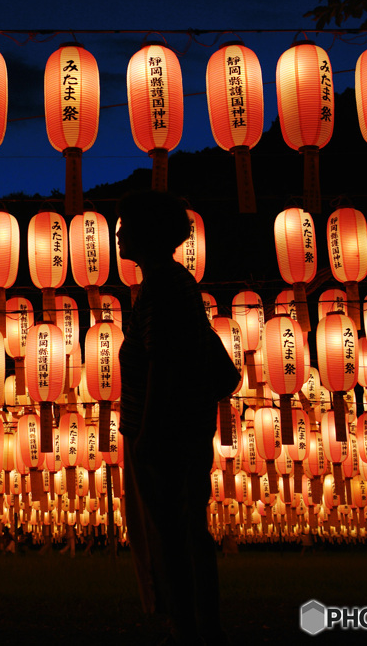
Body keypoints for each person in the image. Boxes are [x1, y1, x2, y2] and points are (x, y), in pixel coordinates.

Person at [117, 191, 226, 646]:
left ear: (147, 233)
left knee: (175, 537)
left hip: (164, 432)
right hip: (177, 427)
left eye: (126, 226)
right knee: (185, 532)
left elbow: (163, 362)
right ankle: (196, 624)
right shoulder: (173, 283)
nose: (118, 234)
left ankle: (191, 626)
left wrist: (146, 433)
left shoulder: (162, 287)